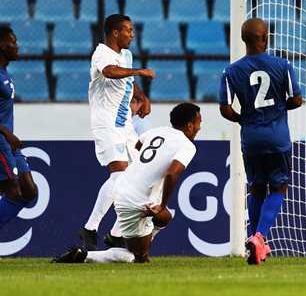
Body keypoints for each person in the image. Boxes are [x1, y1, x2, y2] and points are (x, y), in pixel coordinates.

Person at [52, 103, 202, 264]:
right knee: (137, 258)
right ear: (190, 125)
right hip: (135, 201)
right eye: (200, 123)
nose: (200, 128)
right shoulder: (187, 146)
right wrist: (162, 204)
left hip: (125, 188)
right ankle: (82, 256)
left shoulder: (157, 131)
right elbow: (172, 174)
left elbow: (138, 145)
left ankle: (133, 237)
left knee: (164, 218)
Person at [219, 18, 304, 265]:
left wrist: (244, 119)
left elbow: (225, 108)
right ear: (265, 38)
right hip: (278, 138)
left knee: (256, 188)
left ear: (243, 39)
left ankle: (254, 247)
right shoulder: (282, 65)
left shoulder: (231, 71)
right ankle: (260, 236)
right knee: (279, 188)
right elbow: (297, 99)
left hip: (251, 137)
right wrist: (279, 108)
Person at [78, 14, 156, 251]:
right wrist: (139, 72)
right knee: (119, 176)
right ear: (115, 33)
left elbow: (126, 80)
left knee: (141, 175)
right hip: (106, 124)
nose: (132, 35)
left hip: (125, 126)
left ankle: (115, 233)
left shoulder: (126, 55)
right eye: (129, 30)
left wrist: (141, 96)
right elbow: (111, 72)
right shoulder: (102, 53)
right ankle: (90, 229)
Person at [0, 27, 39, 235]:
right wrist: (6, 133)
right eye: (13, 42)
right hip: (2, 141)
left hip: (10, 143)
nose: (17, 46)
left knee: (30, 191)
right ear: (2, 46)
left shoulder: (4, 72)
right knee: (13, 192)